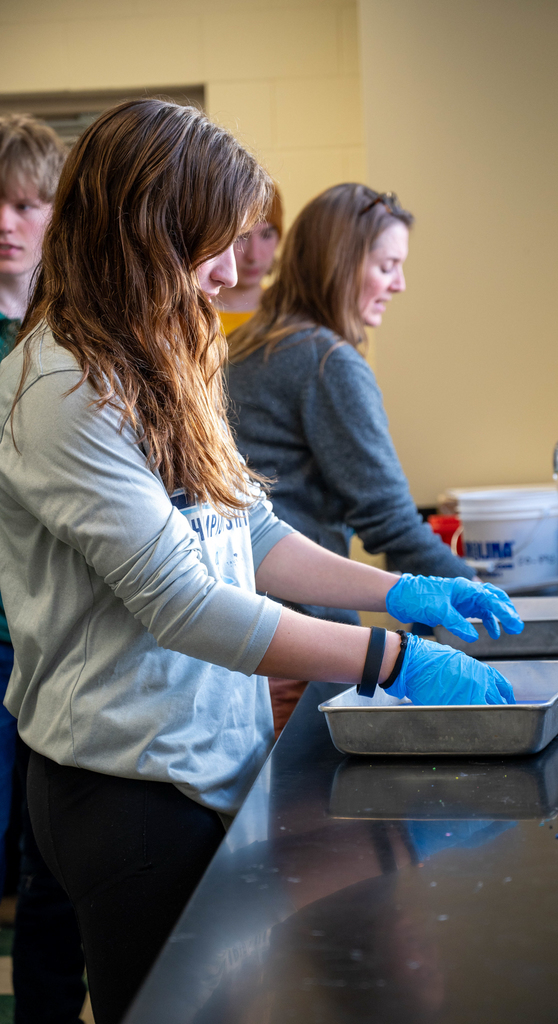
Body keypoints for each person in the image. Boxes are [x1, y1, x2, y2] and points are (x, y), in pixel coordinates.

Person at [0, 98, 522, 1024]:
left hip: (202, 759)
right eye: (215, 243)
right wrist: (391, 658)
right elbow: (185, 606)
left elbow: (252, 535)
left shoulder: (164, 347)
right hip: (130, 785)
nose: (233, 270)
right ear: (148, 229)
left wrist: (400, 587)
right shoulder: (63, 386)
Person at [226, 184, 476, 633]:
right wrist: (484, 598)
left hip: (245, 621)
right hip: (297, 630)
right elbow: (392, 525)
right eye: (387, 267)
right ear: (341, 265)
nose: (399, 284)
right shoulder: (325, 362)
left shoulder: (249, 342)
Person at [0, 113, 87, 1024]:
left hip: (43, 644)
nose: (8, 221)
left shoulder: (64, 336)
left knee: (48, 867)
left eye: (28, 204)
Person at [214, 185, 283, 336]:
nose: (254, 256)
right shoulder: (187, 317)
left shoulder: (287, 315)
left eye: (266, 235)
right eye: (241, 237)